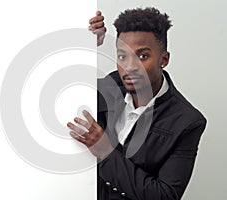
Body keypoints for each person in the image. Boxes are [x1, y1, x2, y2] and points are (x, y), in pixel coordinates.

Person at [67, 7, 207, 200]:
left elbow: (164, 195)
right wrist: (87, 46)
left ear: (163, 59)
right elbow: (66, 91)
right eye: (122, 56)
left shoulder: (187, 122)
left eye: (143, 56)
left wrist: (105, 151)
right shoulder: (109, 86)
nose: (130, 67)